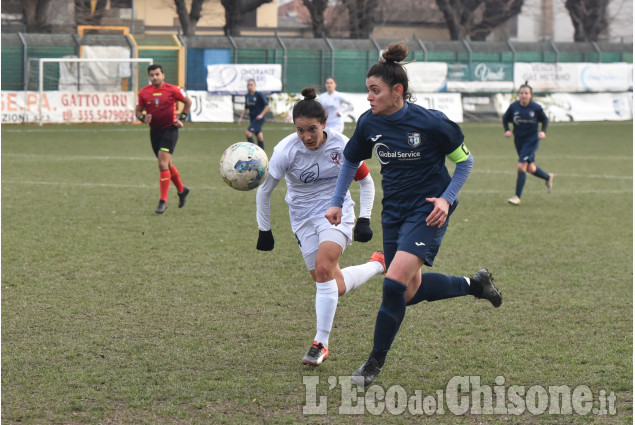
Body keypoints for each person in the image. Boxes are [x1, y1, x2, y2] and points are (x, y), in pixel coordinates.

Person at [324, 42, 503, 386]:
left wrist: (447, 199)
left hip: (428, 210)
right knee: (407, 292)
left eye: (375, 91)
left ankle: (373, 364)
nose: (369, 98)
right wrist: (336, 200)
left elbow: (465, 161)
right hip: (393, 213)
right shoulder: (368, 123)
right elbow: (350, 159)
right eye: (367, 91)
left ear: (397, 91)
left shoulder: (432, 123)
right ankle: (475, 286)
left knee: (392, 284)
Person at [256, 87, 385, 367]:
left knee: (325, 268)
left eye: (312, 130)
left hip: (336, 211)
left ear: (324, 124)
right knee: (330, 284)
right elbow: (264, 192)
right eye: (300, 130)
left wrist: (364, 218)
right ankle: (378, 264)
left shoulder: (342, 145)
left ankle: (320, 344)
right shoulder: (285, 151)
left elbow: (366, 181)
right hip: (302, 218)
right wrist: (264, 230)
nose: (306, 137)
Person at [135, 64, 191, 214]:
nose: (155, 77)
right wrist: (142, 118)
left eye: (157, 74)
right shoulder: (143, 93)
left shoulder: (173, 89)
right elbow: (138, 111)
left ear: (163, 75)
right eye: (152, 75)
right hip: (154, 132)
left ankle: (163, 201)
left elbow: (188, 102)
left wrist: (182, 119)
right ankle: (181, 190)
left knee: (162, 163)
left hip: (170, 129)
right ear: (149, 77)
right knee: (167, 164)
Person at [502, 81, 553, 205]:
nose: (523, 95)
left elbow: (545, 120)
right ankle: (548, 177)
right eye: (521, 93)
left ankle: (517, 197)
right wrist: (507, 130)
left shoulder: (536, 108)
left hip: (531, 140)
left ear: (531, 95)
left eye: (526, 93)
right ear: (518, 95)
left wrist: (543, 132)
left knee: (521, 166)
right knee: (531, 168)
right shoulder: (514, 107)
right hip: (519, 140)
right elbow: (505, 118)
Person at [237, 79, 270, 150]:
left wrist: (261, 115)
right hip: (252, 119)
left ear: (255, 86)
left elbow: (267, 106)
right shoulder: (247, 96)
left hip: (259, 119)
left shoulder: (259, 95)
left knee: (248, 133)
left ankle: (254, 151)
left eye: (251, 85)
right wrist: (240, 118)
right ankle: (262, 153)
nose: (250, 86)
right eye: (248, 85)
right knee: (259, 136)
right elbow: (245, 108)